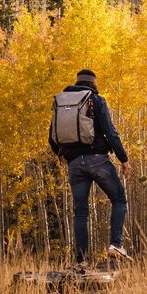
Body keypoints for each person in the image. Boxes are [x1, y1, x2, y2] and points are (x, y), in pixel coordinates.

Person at [49, 69, 132, 264]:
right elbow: (110, 132)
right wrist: (123, 159)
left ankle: (81, 261)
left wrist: (60, 153)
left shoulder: (62, 102)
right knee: (119, 199)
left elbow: (52, 135)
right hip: (98, 159)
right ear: (93, 84)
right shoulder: (96, 100)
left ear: (77, 82)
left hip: (75, 164)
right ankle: (116, 245)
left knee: (81, 211)